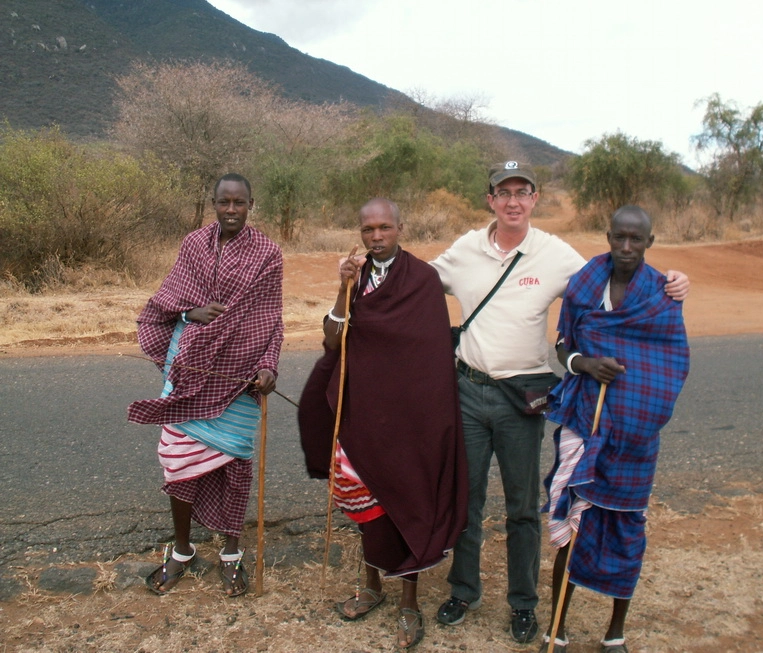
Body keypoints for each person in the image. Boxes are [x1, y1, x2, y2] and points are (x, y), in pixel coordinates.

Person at [429, 162, 690, 644]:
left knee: (524, 507)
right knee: (465, 500)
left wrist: (672, 281)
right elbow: (420, 284)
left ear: (534, 198)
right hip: (465, 389)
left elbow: (613, 273)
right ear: (490, 199)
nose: (512, 201)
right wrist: (366, 272)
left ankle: (523, 605)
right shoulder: (465, 248)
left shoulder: (557, 255)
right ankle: (463, 591)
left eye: (522, 192)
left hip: (522, 396)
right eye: (502, 192)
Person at [297, 198, 467, 650]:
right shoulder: (356, 276)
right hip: (360, 410)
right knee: (363, 495)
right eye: (368, 228)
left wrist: (429, 418)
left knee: (407, 496)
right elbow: (332, 341)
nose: (376, 236)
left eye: (385, 228)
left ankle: (409, 600)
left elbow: (430, 357)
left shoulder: (424, 280)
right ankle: (371, 585)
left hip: (409, 417)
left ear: (400, 228)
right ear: (360, 231)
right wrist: (342, 287)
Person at [539, 205, 690, 653]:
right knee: (572, 518)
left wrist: (640, 415)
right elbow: (563, 345)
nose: (626, 247)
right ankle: (557, 629)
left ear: (649, 242)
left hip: (635, 434)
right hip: (585, 418)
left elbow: (671, 363)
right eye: (619, 238)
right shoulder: (585, 283)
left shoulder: (662, 295)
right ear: (607, 237)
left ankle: (614, 634)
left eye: (636, 240)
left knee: (627, 527)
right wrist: (584, 363)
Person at [128, 172, 283, 598]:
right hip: (190, 369)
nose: (231, 209)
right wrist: (189, 311)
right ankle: (181, 550)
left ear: (252, 204)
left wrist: (269, 366)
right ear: (212, 203)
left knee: (234, 464)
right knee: (175, 458)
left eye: (239, 202)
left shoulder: (269, 254)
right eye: (223, 202)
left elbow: (272, 319)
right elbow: (168, 299)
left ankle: (231, 553)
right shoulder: (194, 244)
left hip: (239, 377)